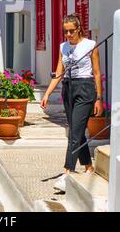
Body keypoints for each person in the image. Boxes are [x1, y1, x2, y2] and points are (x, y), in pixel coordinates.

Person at [40, 13, 104, 192]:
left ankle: (67, 172)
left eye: (71, 31)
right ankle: (89, 167)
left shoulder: (90, 45)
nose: (68, 35)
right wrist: (47, 94)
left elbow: (97, 73)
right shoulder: (63, 47)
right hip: (68, 88)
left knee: (73, 133)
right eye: (65, 31)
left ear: (79, 29)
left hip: (85, 88)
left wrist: (99, 98)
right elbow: (59, 73)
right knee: (77, 130)